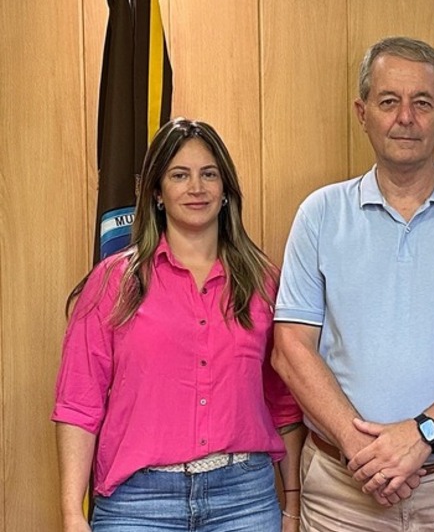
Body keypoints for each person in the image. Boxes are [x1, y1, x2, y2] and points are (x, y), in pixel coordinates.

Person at [270, 36, 434, 532]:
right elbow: (290, 350)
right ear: (362, 112)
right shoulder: (320, 215)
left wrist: (422, 434)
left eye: (422, 102)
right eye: (389, 101)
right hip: (343, 493)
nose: (406, 118)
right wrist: (364, 451)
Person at [53, 118, 305, 532]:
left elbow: (284, 402)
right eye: (179, 175)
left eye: (209, 174)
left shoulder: (262, 282)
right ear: (157, 192)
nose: (196, 188)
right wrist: (71, 514)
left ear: (226, 190)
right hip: (137, 505)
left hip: (244, 501)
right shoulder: (112, 283)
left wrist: (292, 501)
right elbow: (79, 404)